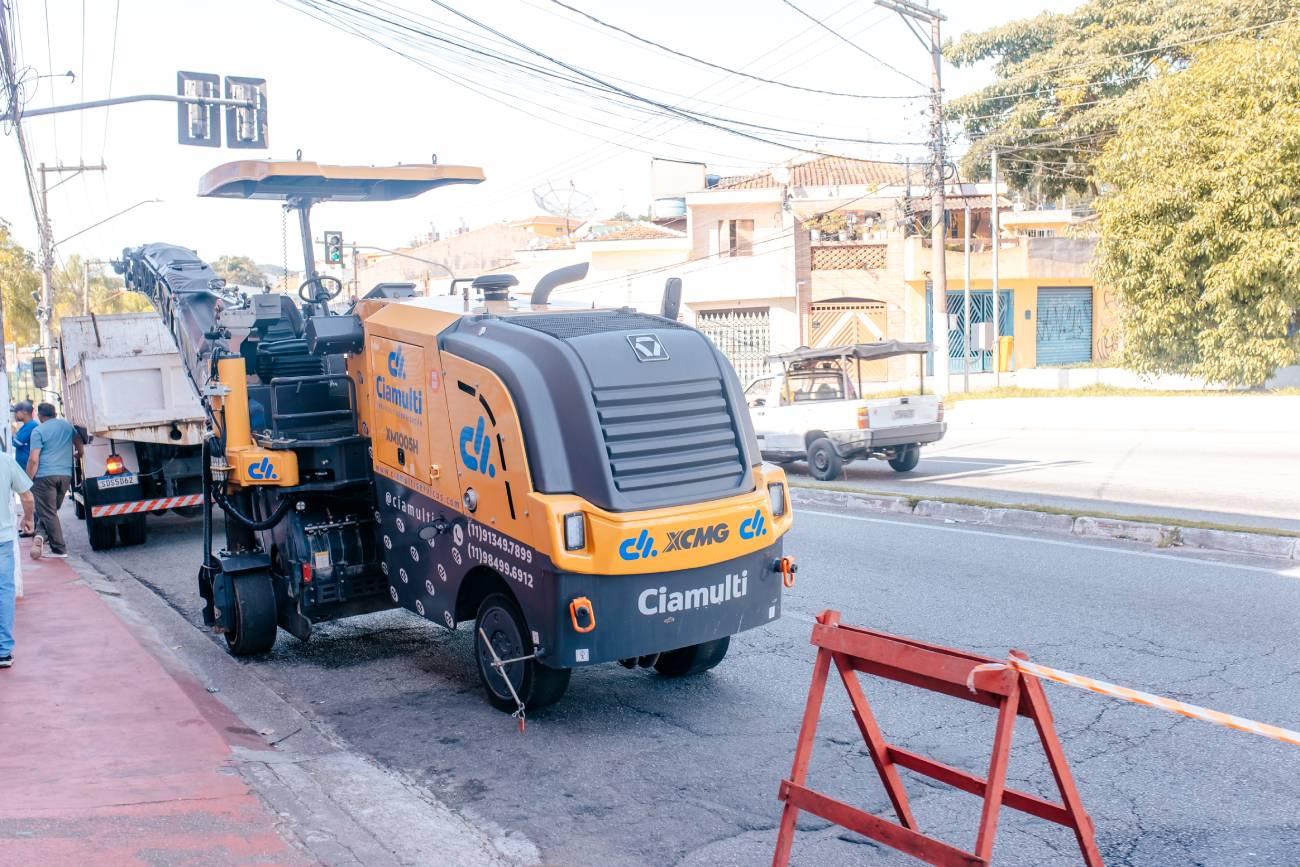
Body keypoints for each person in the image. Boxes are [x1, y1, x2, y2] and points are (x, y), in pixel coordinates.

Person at [26, 403, 81, 560]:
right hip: (65, 476)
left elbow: (33, 460)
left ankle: (59, 549)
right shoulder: (67, 426)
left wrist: (27, 480)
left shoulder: (38, 431)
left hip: (44, 477)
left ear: (41, 416)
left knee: (48, 512)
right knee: (50, 512)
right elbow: (78, 441)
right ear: (55, 413)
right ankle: (40, 538)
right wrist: (79, 453)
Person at [0, 447, 35, 668]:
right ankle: (3, 651)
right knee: (4, 590)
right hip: (2, 538)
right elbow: (27, 495)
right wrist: (27, 518)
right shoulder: (5, 461)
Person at [11, 401, 37, 536]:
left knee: (28, 497)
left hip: (27, 467)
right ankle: (30, 526)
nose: (15, 415)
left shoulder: (31, 425)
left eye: (16, 412)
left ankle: (31, 527)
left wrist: (10, 432)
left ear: (24, 412)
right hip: (23, 467)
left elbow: (16, 442)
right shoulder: (27, 426)